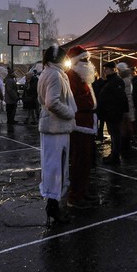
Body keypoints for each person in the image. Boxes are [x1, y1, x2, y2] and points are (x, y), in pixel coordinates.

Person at [38, 45, 77, 226]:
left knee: (54, 167)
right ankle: (53, 207)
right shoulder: (54, 74)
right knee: (56, 168)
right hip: (56, 128)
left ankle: (53, 205)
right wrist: (69, 113)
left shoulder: (48, 72)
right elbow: (51, 102)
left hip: (54, 128)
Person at [65, 46, 99, 209]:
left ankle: (82, 191)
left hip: (87, 121)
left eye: (87, 59)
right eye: (84, 59)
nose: (88, 62)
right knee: (79, 161)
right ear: (76, 61)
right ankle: (75, 196)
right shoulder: (72, 76)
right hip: (79, 124)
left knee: (86, 162)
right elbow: (70, 101)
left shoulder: (82, 76)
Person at [96, 61, 128, 165]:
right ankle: (113, 154)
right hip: (110, 112)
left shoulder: (116, 81)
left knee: (115, 135)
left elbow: (120, 98)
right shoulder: (112, 81)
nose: (105, 71)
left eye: (107, 69)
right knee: (113, 134)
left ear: (113, 69)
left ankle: (115, 156)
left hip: (113, 113)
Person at [92, 70, 107, 140]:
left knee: (96, 119)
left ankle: (96, 133)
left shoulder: (92, 84)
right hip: (102, 103)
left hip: (96, 103)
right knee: (101, 120)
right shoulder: (102, 82)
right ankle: (100, 134)